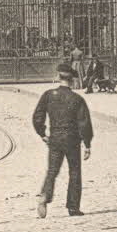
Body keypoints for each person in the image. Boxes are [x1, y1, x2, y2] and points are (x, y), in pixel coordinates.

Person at [32, 63, 93, 218]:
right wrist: (87, 144)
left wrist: (42, 134)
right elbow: (84, 123)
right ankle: (73, 207)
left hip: (55, 139)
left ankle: (45, 195)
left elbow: (38, 116)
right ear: (72, 80)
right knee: (74, 172)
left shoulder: (48, 95)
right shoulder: (77, 99)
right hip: (72, 141)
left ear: (58, 77)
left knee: (52, 171)